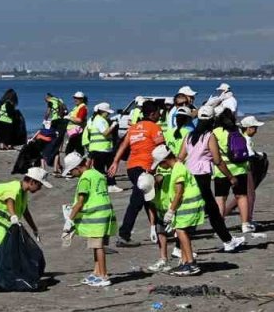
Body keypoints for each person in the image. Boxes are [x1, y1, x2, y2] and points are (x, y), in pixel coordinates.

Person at [177, 106, 246, 253]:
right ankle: (179, 247)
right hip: (202, 177)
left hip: (190, 175)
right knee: (206, 210)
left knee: (208, 210)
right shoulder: (209, 136)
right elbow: (217, 160)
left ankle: (227, 240)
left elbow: (180, 157)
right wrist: (231, 177)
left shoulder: (189, 136)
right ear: (211, 120)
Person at [108, 100, 164, 246]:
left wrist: (115, 161)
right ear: (152, 114)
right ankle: (124, 235)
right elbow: (162, 149)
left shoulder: (134, 128)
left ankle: (157, 230)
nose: (160, 114)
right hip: (145, 168)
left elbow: (123, 145)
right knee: (137, 201)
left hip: (132, 168)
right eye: (159, 112)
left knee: (147, 198)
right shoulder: (154, 127)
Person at [61, 152, 116, 287]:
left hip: (95, 217)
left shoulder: (84, 179)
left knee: (98, 247)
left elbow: (80, 202)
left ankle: (104, 275)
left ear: (77, 167)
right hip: (105, 214)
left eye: (71, 172)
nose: (71, 175)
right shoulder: (97, 174)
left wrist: (69, 219)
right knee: (95, 246)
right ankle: (96, 272)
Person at [147, 145, 202, 276]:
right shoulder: (177, 167)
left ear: (165, 160)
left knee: (181, 231)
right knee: (182, 232)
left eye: (160, 163)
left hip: (188, 205)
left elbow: (179, 192)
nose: (160, 166)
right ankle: (185, 262)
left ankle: (190, 263)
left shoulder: (178, 169)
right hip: (187, 205)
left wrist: (170, 211)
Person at [213, 109, 252, 231]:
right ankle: (245, 224)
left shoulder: (215, 132)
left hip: (222, 170)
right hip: (240, 168)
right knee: (242, 196)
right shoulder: (238, 130)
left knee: (221, 198)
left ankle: (221, 226)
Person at [239, 115, 267, 231]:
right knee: (250, 195)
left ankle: (246, 219)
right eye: (255, 128)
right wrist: (260, 156)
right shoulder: (246, 139)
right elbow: (250, 154)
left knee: (240, 197)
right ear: (249, 128)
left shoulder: (243, 138)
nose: (256, 130)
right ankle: (247, 220)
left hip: (242, 169)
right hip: (246, 169)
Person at [44, 93, 69, 169]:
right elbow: (66, 111)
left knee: (52, 142)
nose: (45, 100)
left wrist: (45, 119)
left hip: (55, 122)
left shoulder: (50, 101)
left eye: (45, 99)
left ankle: (53, 163)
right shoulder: (59, 100)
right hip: (63, 122)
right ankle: (57, 166)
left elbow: (48, 112)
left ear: (48, 97)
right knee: (57, 143)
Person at [64, 92, 89, 157]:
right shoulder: (77, 107)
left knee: (69, 151)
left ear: (82, 99)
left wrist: (69, 117)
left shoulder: (82, 107)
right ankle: (81, 164)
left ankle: (74, 164)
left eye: (78, 98)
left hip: (77, 132)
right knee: (78, 150)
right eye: (75, 98)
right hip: (74, 133)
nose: (75, 99)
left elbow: (79, 120)